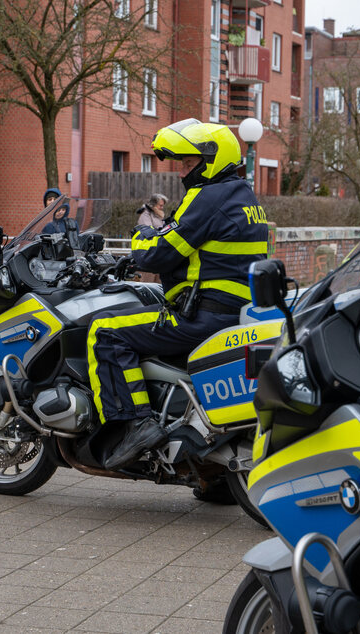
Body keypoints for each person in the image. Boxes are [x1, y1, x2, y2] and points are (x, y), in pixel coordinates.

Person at [87, 119, 268, 470]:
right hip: (237, 311)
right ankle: (210, 477)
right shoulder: (245, 197)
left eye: (190, 162)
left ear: (211, 159)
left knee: (104, 331)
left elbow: (159, 254)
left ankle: (135, 423)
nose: (184, 170)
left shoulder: (207, 197)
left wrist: (140, 233)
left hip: (204, 315)